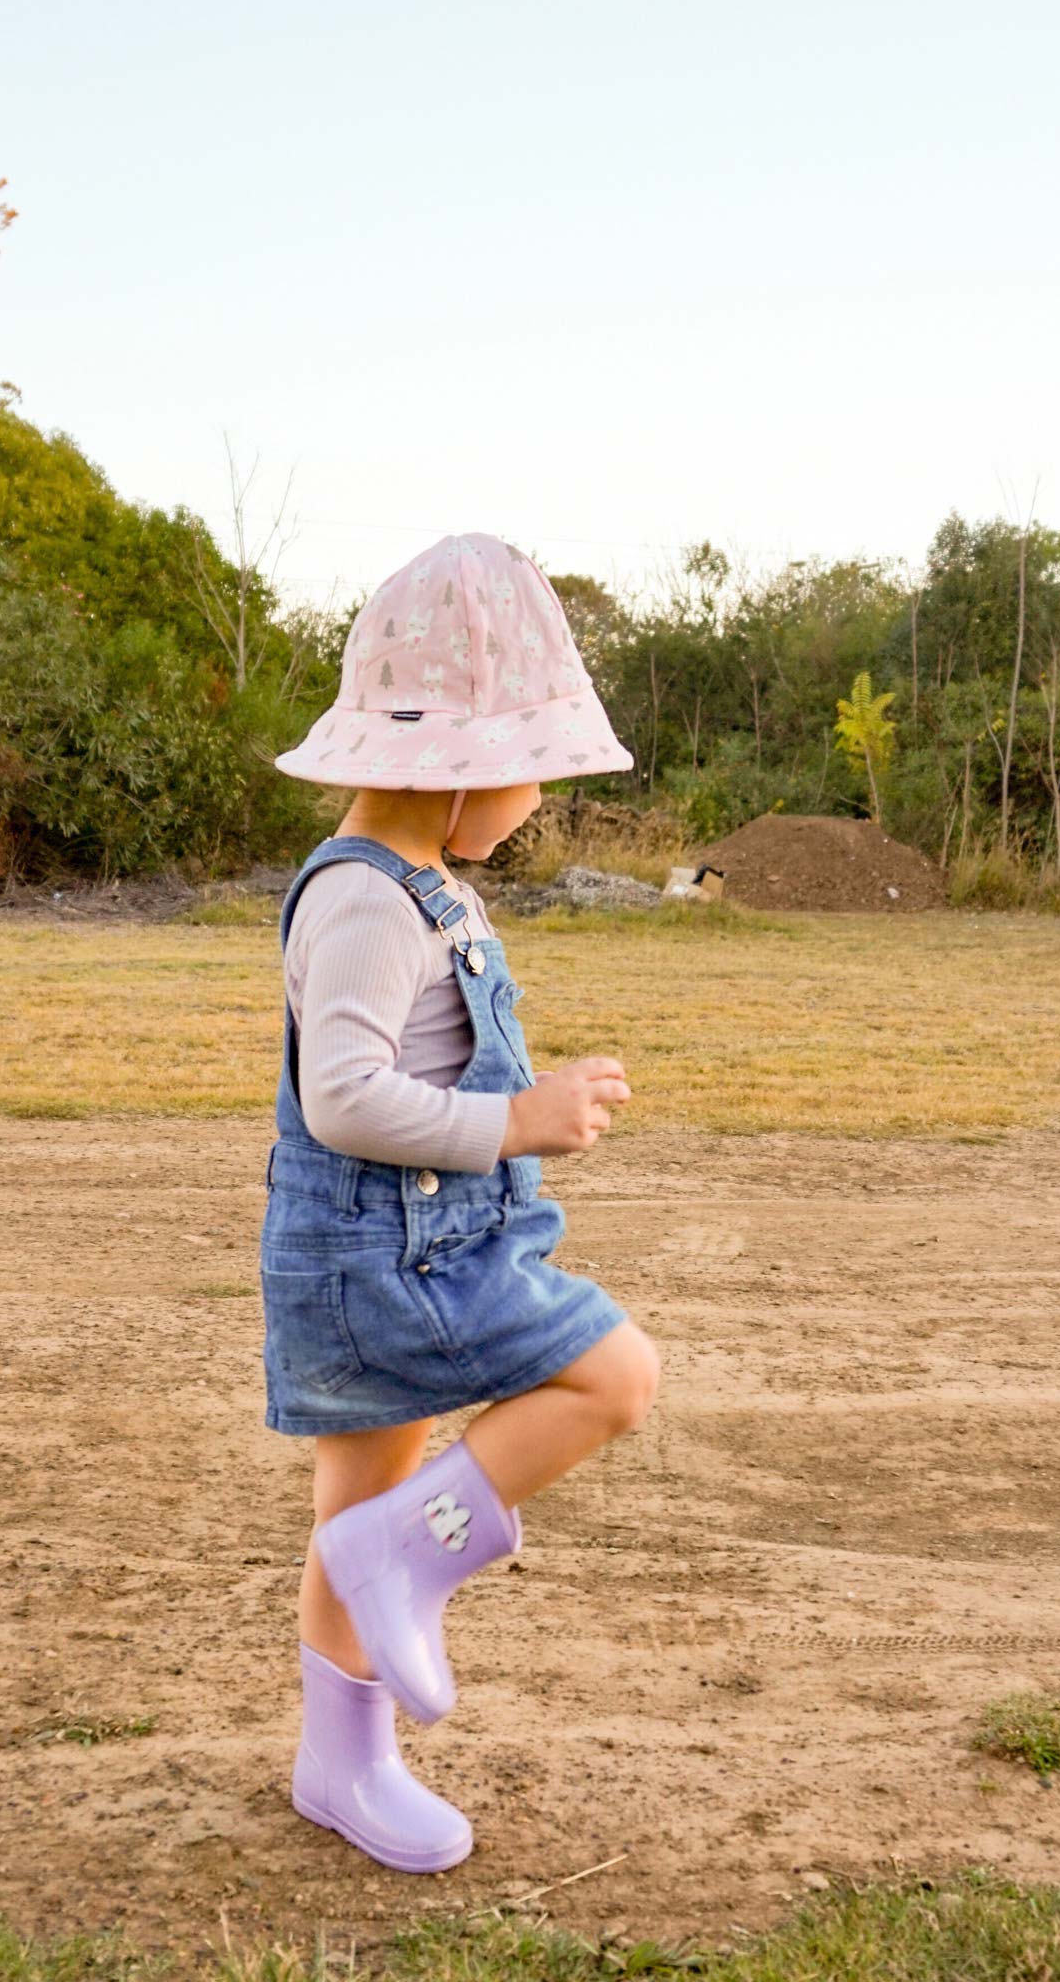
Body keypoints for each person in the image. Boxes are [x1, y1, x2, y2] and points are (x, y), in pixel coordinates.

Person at [260, 533, 661, 1874]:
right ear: (462, 762)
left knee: (353, 1516)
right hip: (393, 1259)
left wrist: (522, 1089)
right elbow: (345, 1099)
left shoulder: (415, 882)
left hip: (407, 1248)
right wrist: (518, 1121)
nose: (535, 795)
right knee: (612, 1376)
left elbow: (415, 1058)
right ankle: (417, 1559)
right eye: (533, 763)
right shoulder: (371, 903)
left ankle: (344, 1762)